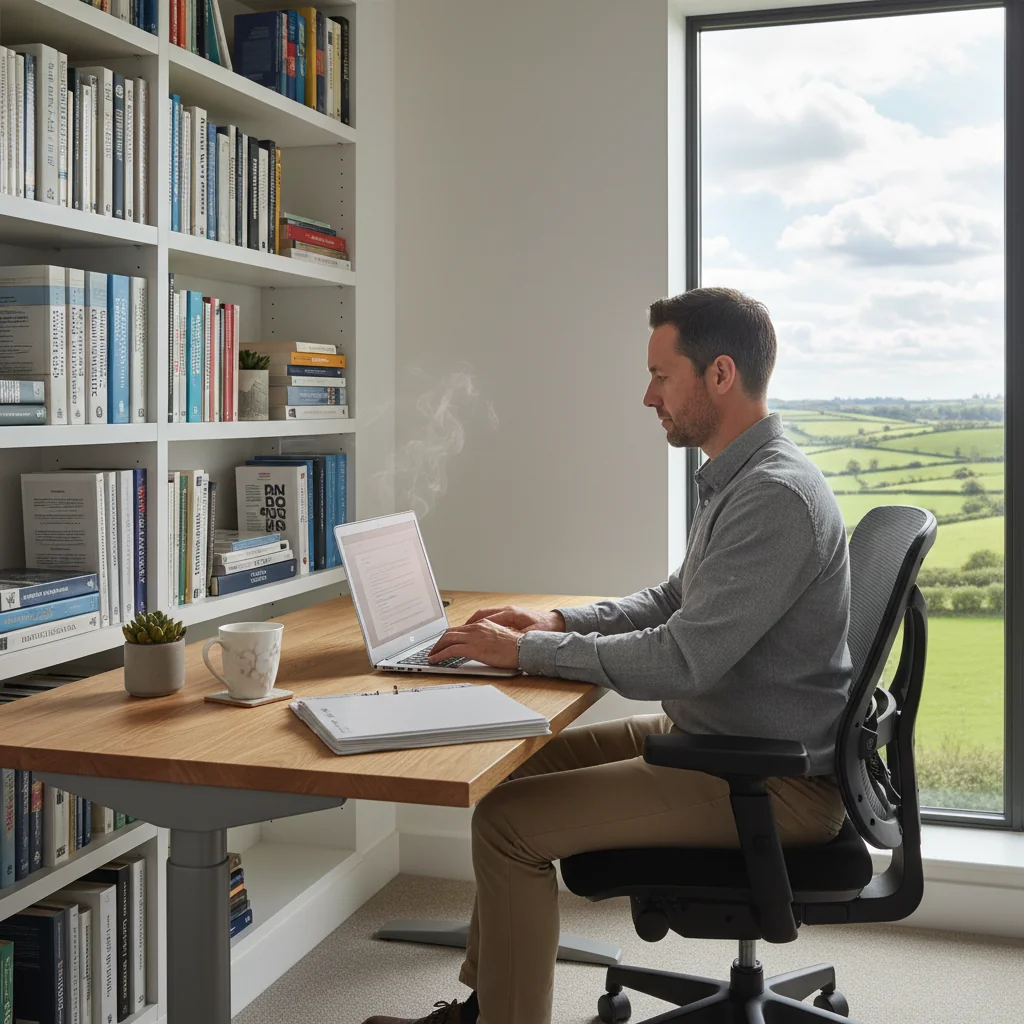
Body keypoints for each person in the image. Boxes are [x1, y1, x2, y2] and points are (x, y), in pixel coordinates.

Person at [362, 287, 853, 1024]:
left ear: (720, 375)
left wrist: (526, 650)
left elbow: (680, 659)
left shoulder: (774, 497)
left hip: (770, 776)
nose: (646, 395)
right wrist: (554, 618)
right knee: (514, 771)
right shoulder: (742, 477)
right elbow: (668, 601)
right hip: (720, 739)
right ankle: (484, 1005)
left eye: (662, 374)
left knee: (509, 827)